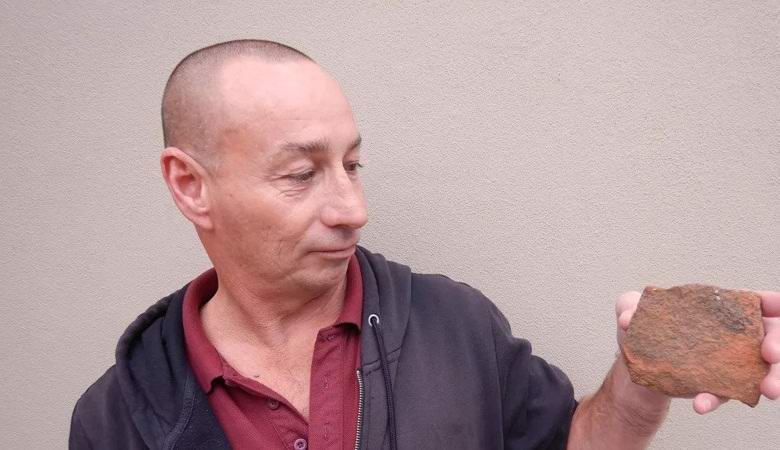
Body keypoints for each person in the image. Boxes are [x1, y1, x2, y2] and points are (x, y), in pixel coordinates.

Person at [69, 39, 780, 450]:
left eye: (353, 164)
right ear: (190, 185)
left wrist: (637, 382)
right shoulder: (115, 418)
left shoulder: (458, 324)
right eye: (301, 175)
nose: (354, 210)